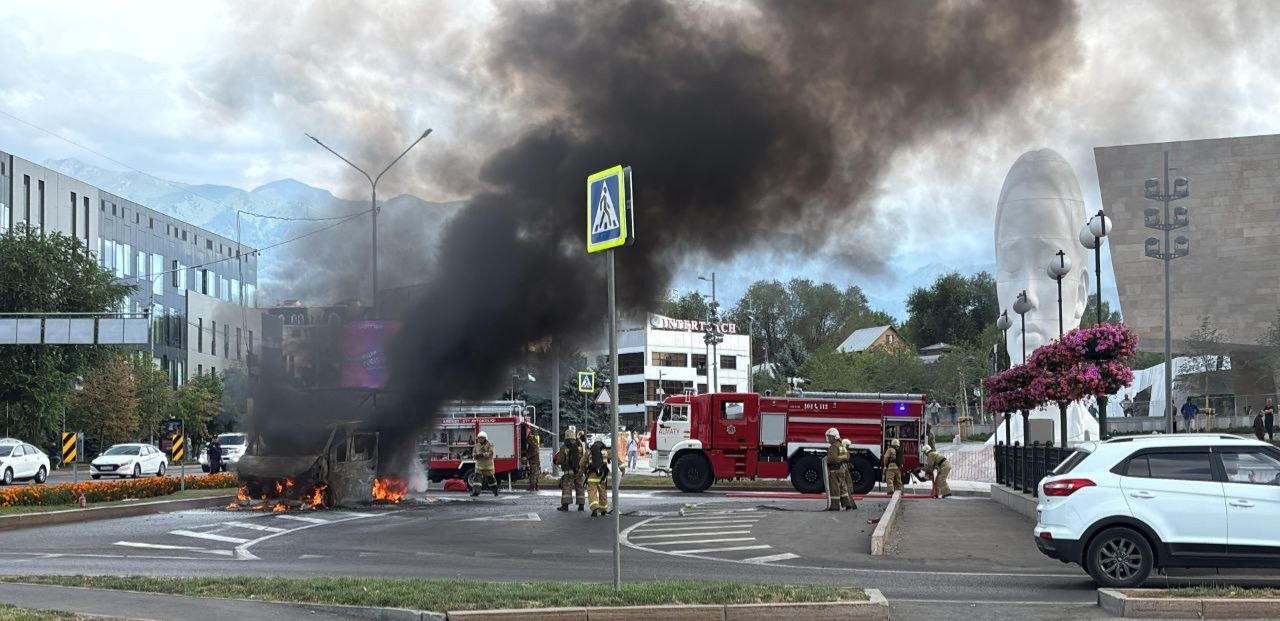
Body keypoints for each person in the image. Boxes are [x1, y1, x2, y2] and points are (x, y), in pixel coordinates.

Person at [553, 428, 586, 512]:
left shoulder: (564, 447)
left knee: (567, 487)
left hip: (569, 471)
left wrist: (556, 462)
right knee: (580, 487)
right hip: (579, 471)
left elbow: (560, 460)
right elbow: (583, 457)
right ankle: (581, 506)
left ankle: (565, 506)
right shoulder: (579, 446)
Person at [824, 428, 854, 511]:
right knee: (843, 488)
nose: (828, 438)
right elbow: (847, 456)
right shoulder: (841, 445)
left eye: (830, 437)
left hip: (835, 470)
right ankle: (847, 504)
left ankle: (835, 506)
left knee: (834, 488)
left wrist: (827, 459)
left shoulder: (834, 446)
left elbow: (832, 459)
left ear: (835, 437)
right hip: (842, 470)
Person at [585, 440, 610, 517]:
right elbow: (617, 459)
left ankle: (594, 508)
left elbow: (581, 463)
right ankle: (603, 509)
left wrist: (582, 470)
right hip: (602, 476)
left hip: (592, 476)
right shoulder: (606, 451)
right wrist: (622, 468)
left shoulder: (589, 452)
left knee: (592, 492)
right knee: (603, 492)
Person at [471, 431, 498, 497]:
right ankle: (476, 492)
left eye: (481, 438)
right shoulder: (477, 445)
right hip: (479, 466)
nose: (480, 439)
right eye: (479, 438)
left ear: (485, 438)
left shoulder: (490, 444)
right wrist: (475, 455)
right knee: (477, 480)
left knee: (491, 479)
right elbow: (474, 452)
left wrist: (482, 455)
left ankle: (495, 491)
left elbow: (490, 453)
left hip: (487, 466)